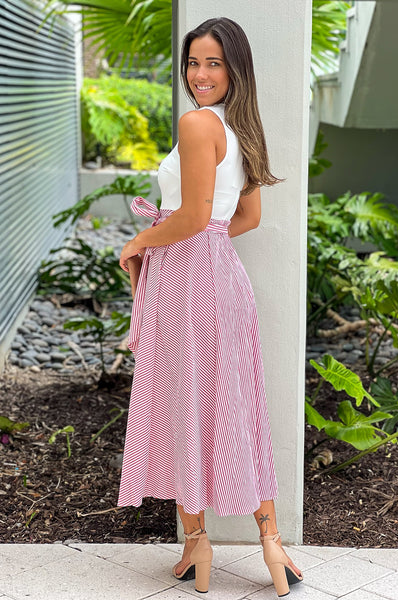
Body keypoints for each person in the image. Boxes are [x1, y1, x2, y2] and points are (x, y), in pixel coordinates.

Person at [118, 16, 303, 598]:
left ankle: (198, 543)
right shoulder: (242, 127)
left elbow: (194, 217)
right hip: (224, 279)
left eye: (213, 63)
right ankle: (271, 545)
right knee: (238, 407)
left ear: (235, 69)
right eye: (194, 62)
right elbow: (241, 218)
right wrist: (204, 242)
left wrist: (140, 241)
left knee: (184, 405)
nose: (200, 75)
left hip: (186, 279)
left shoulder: (197, 124)